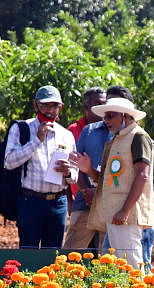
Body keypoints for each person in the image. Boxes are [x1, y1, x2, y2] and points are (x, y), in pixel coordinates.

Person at [71, 96, 154, 270]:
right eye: (105, 117)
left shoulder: (138, 137)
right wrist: (88, 170)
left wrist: (125, 211)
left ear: (125, 116)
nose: (106, 121)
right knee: (117, 266)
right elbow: (107, 180)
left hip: (127, 216)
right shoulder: (117, 140)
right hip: (114, 214)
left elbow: (143, 175)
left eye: (110, 116)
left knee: (132, 264)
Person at [3, 85, 77, 249]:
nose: (50, 111)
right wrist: (36, 140)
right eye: (45, 105)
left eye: (54, 106)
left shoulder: (66, 135)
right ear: (36, 105)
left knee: (53, 254)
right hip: (30, 201)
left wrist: (68, 172)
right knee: (28, 253)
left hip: (58, 202)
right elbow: (9, 162)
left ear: (60, 107)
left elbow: (74, 176)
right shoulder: (22, 128)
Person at [63, 87, 107, 251]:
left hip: (107, 200)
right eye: (98, 104)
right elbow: (72, 165)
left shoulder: (115, 130)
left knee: (104, 253)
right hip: (82, 200)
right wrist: (83, 193)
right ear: (86, 106)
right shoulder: (77, 131)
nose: (102, 108)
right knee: (72, 251)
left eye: (105, 103)